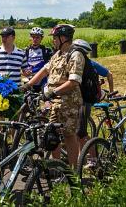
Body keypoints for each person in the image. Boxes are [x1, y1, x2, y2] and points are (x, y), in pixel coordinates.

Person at [22, 24, 84, 168]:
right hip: (53, 102)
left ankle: (74, 171)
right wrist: (28, 85)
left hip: (68, 102)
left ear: (63, 38)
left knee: (69, 136)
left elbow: (73, 82)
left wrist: (53, 92)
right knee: (52, 135)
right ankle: (57, 167)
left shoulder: (75, 55)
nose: (53, 40)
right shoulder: (57, 54)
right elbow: (44, 71)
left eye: (55, 38)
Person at [71, 39, 114, 147]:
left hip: (85, 99)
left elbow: (109, 74)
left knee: (81, 131)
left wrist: (111, 92)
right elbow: (109, 74)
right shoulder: (91, 63)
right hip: (84, 98)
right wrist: (111, 91)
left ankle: (90, 155)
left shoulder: (87, 64)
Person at [22, 27, 53, 92]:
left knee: (46, 99)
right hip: (30, 79)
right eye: (33, 37)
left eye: (37, 37)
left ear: (41, 38)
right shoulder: (25, 51)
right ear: (30, 38)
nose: (35, 39)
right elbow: (23, 66)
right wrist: (24, 72)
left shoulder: (46, 50)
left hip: (43, 80)